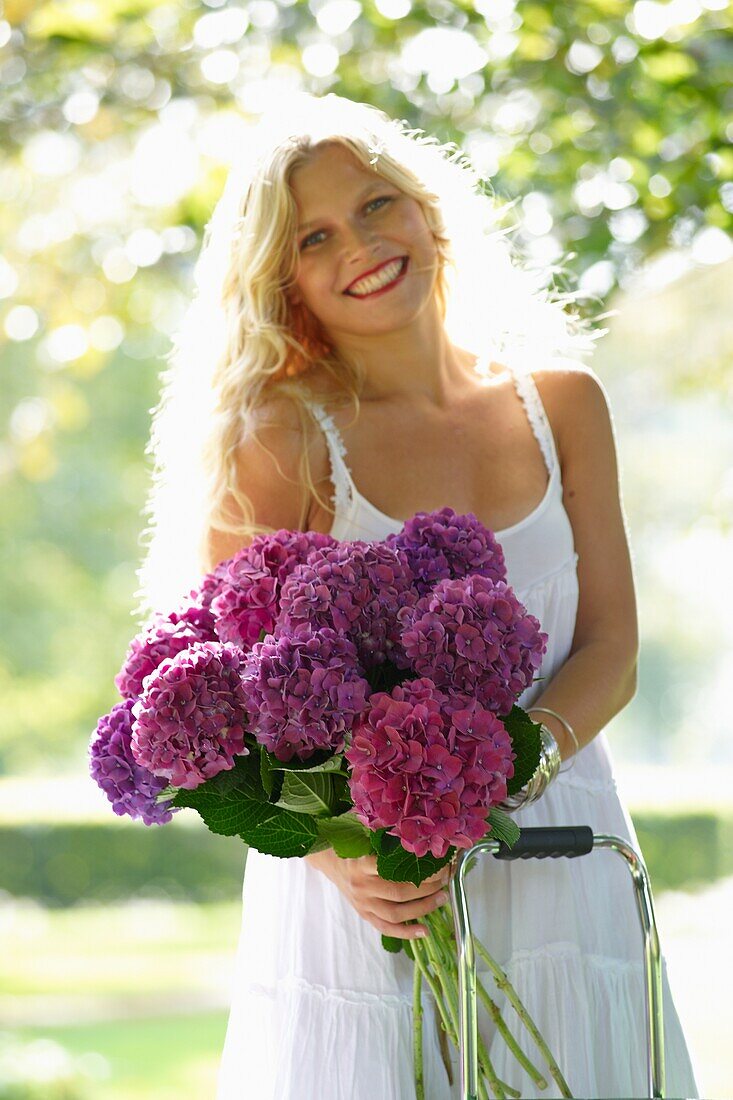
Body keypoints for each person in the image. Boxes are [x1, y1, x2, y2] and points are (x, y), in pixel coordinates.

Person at [135, 93, 701, 1099]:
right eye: (316, 236)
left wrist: (509, 770)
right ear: (288, 283)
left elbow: (611, 644)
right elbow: (233, 697)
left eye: (377, 203)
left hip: (567, 855)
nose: (360, 243)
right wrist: (334, 852)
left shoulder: (562, 402)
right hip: (379, 893)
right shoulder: (284, 439)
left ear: (428, 210)